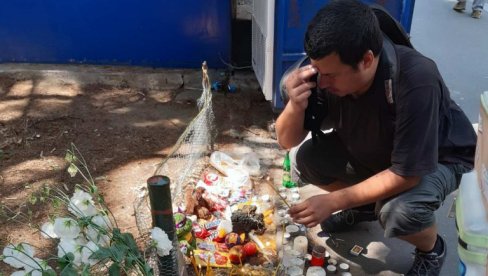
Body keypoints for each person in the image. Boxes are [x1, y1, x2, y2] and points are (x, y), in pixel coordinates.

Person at [275, 0, 477, 275]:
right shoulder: (326, 70)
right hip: (378, 150)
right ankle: (366, 207)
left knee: (399, 212)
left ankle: (432, 249)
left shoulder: (416, 79)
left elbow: (407, 174)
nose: (321, 84)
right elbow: (287, 141)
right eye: (318, 72)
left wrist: (336, 200)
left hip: (437, 159)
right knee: (306, 159)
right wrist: (295, 106)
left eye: (330, 76)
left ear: (367, 60)